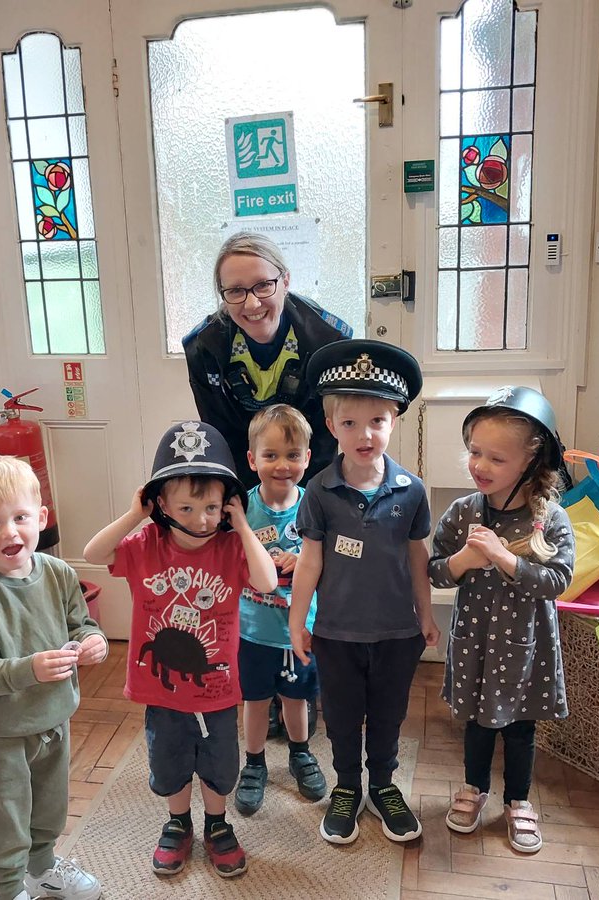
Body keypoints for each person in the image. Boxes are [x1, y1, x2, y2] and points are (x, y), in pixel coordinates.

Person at [84, 421, 277, 879]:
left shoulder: (232, 547)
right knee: (169, 764)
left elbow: (267, 581)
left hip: (217, 691)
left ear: (227, 506)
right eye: (187, 507)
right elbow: (93, 552)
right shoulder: (144, 545)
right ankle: (177, 823)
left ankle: (216, 823)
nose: (201, 519)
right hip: (162, 692)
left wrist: (244, 525)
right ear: (161, 506)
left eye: (212, 507)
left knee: (218, 766)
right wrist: (134, 514)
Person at [288, 339, 438, 846]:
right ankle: (348, 786)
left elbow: (417, 555)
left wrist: (426, 613)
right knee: (344, 714)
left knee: (390, 713)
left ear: (394, 420)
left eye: (377, 420)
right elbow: (309, 562)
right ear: (331, 427)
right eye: (350, 423)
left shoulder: (412, 491)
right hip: (336, 632)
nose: (364, 433)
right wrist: (296, 621)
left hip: (397, 631)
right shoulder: (319, 492)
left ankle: (383, 784)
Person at [0, 456, 107, 900]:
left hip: (53, 719)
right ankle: (7, 888)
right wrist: (29, 669)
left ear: (41, 518)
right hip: (1, 733)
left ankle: (41, 869)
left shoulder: (58, 573)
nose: (10, 533)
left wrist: (93, 641)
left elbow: (82, 624)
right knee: (7, 817)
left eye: (20, 518)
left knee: (49, 807)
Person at [427, 386, 576, 855]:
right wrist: (467, 561)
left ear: (533, 463)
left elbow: (558, 581)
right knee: (477, 721)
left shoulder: (549, 519)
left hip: (526, 645)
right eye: (474, 452)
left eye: (496, 458)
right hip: (475, 640)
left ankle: (517, 801)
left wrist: (503, 559)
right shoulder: (463, 511)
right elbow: (434, 570)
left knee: (520, 726)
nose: (479, 466)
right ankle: (473, 787)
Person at [182, 231, 353, 491]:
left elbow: (324, 437)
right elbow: (222, 435)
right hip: (245, 473)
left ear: (285, 281)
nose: (252, 304)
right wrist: (245, 503)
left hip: (309, 470)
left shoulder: (329, 341)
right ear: (222, 294)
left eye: (263, 285)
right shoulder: (202, 348)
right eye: (236, 290)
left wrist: (311, 505)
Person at [234, 404, 327, 817]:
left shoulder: (316, 507)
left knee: (296, 698)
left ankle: (300, 753)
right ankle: (254, 763)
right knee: (254, 701)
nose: (282, 465)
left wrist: (302, 559)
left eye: (293, 455)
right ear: (253, 459)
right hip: (252, 629)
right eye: (270, 455)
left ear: (307, 458)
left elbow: (329, 562)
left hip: (300, 629)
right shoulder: (240, 510)